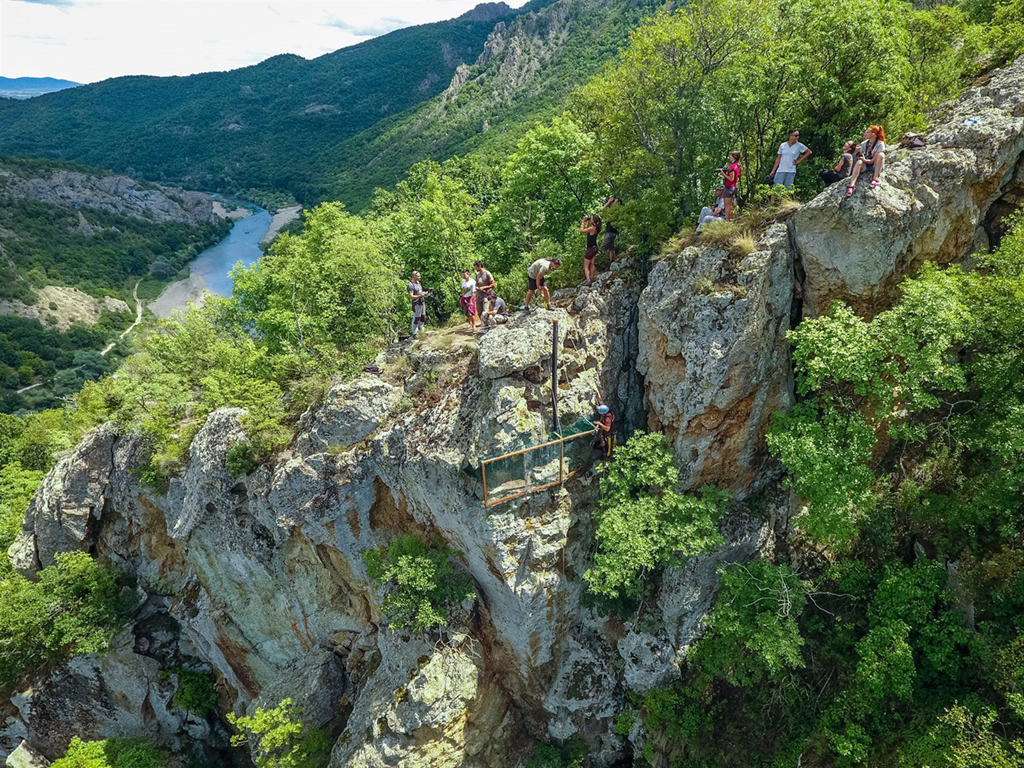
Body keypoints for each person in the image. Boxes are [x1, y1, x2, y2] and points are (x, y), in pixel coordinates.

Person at [845, 125, 887, 196]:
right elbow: (860, 153)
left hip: (875, 165)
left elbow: (872, 161)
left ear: (873, 134)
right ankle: (851, 186)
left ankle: (875, 178)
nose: (865, 133)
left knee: (881, 155)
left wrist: (864, 159)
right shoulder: (864, 143)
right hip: (866, 165)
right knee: (859, 162)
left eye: (867, 132)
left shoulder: (880, 144)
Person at [580, 213, 602, 283]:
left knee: (586, 266)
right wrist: (588, 222)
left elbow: (581, 231)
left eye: (591, 218)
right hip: (595, 248)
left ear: (593, 221)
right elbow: (587, 230)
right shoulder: (596, 227)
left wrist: (583, 221)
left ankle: (588, 280)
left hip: (590, 249)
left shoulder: (592, 228)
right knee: (592, 264)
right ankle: (592, 278)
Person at [719, 151, 741, 221]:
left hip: (729, 187)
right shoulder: (737, 165)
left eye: (731, 156)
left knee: (727, 205)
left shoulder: (732, 167)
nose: (730, 158)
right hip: (733, 187)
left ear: (734, 157)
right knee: (731, 205)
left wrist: (723, 174)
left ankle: (727, 220)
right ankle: (732, 219)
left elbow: (731, 179)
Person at [407, 271, 428, 337]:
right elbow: (411, 296)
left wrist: (425, 294)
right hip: (416, 303)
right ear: (414, 277)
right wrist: (420, 296)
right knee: (416, 318)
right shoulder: (410, 285)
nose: (420, 277)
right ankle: (414, 333)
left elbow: (420, 292)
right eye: (418, 276)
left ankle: (421, 331)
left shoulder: (418, 283)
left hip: (422, 302)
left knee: (423, 317)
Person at [601, 197, 621, 262]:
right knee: (610, 248)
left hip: (610, 233)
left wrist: (609, 202)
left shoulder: (615, 211)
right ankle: (611, 261)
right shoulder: (617, 211)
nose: (613, 202)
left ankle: (601, 262)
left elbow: (603, 209)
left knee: (602, 247)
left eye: (614, 201)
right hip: (613, 232)